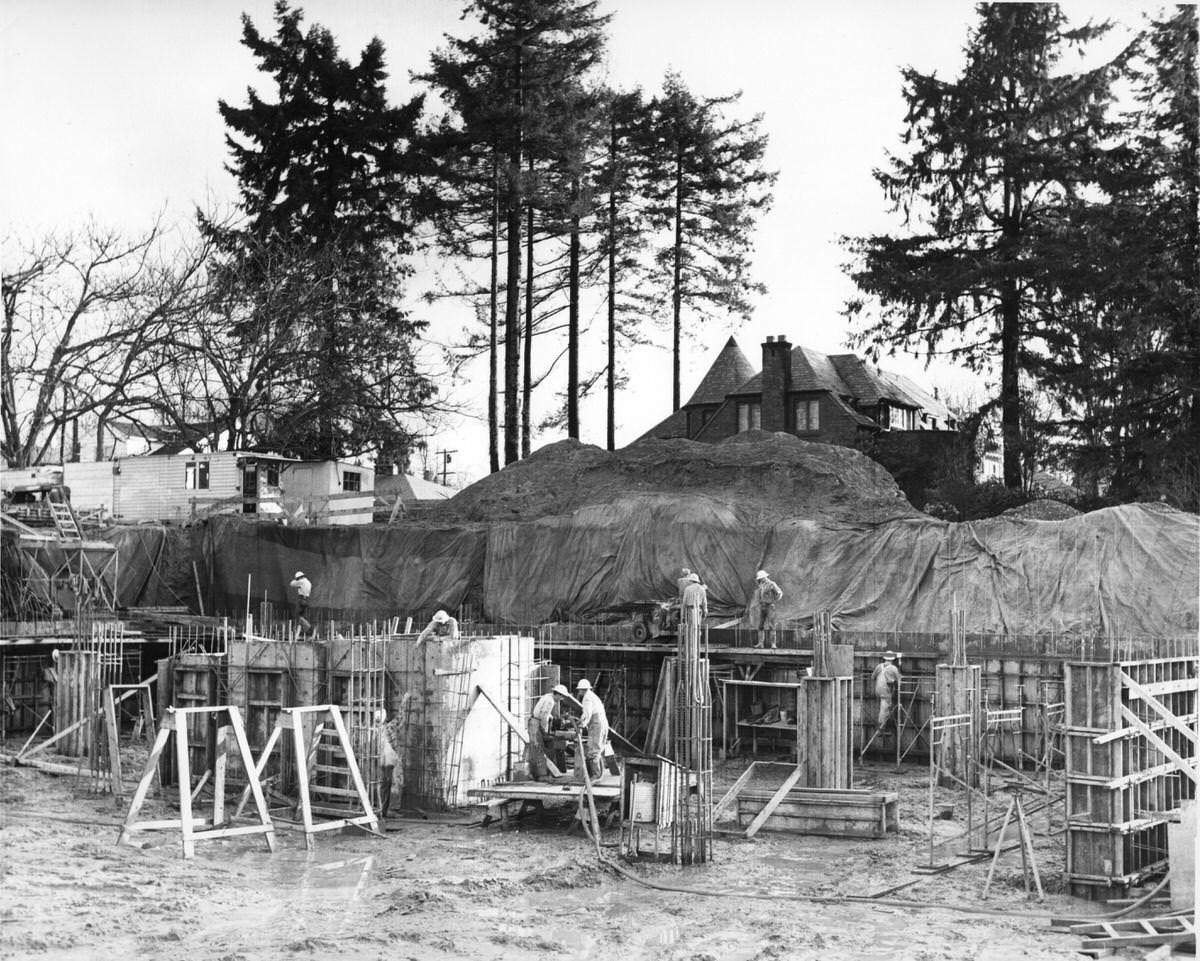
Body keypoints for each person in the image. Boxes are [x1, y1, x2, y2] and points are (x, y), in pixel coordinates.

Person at [527, 684, 569, 780]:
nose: (561, 699)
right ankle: (540, 776)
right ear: (558, 694)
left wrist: (551, 717)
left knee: (536, 749)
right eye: (561, 696)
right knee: (538, 749)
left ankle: (536, 774)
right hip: (536, 724)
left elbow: (544, 712)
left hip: (534, 722)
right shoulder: (550, 701)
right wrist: (545, 730)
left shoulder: (547, 696)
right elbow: (543, 716)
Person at [574, 678, 609, 779]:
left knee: (593, 750)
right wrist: (582, 720)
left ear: (582, 689)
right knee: (598, 749)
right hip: (602, 723)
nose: (579, 692)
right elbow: (587, 713)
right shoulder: (593, 696)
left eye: (579, 690)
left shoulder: (587, 698)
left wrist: (582, 724)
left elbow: (587, 714)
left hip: (596, 724)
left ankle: (596, 775)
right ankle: (598, 773)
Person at [373, 708, 401, 820]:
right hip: (390, 760)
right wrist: (404, 702)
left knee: (383, 786)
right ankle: (390, 810)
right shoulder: (389, 728)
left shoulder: (375, 730)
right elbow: (399, 718)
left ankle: (382, 809)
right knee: (394, 784)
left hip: (381, 761)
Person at [871, 651, 902, 736]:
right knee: (885, 708)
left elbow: (873, 677)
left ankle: (883, 726)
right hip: (886, 691)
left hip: (877, 690)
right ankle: (881, 728)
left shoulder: (878, 666)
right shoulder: (893, 668)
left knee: (883, 707)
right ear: (892, 659)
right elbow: (899, 680)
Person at [751, 570, 783, 649]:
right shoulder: (761, 585)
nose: (760, 580)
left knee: (772, 625)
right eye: (759, 579)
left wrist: (774, 600)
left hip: (769, 606)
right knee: (760, 626)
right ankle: (760, 643)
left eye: (761, 578)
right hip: (762, 606)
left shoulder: (772, 584)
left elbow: (779, 593)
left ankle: (773, 644)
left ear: (764, 577)